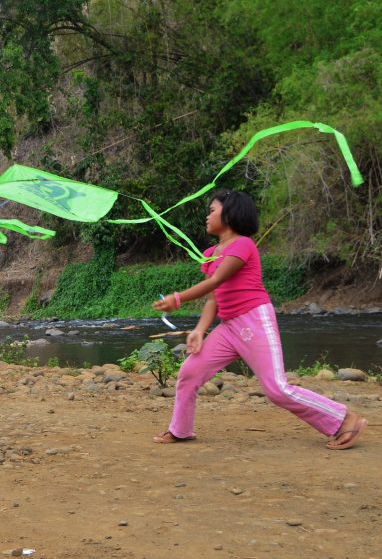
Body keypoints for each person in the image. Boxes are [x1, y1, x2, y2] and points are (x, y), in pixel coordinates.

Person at [151, 190, 366, 450]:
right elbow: (213, 298)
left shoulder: (243, 244)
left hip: (254, 321)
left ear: (230, 214)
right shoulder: (210, 252)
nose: (207, 216)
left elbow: (216, 280)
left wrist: (177, 299)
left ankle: (344, 419)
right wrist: (199, 329)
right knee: (189, 372)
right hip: (229, 327)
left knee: (276, 389)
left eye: (212, 210)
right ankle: (180, 430)